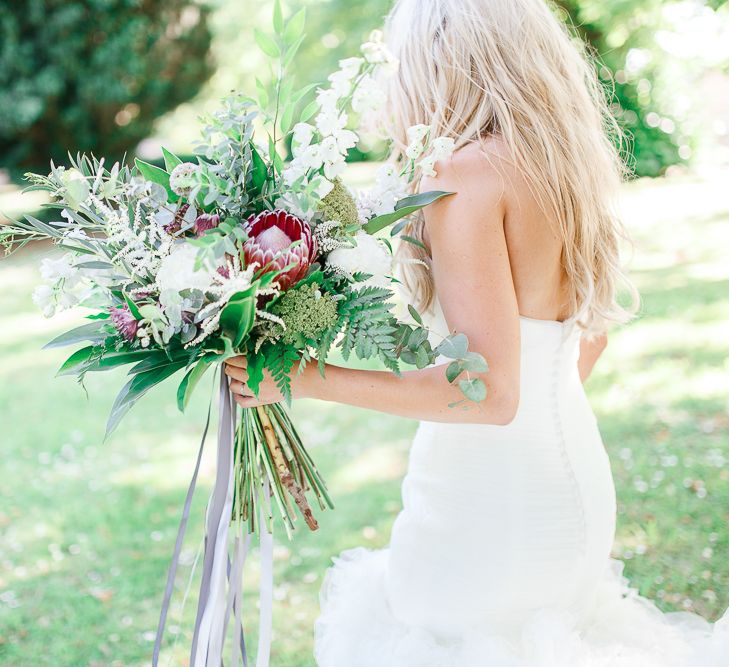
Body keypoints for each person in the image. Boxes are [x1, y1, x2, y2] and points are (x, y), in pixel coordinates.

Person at [224, 0, 729, 663]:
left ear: (439, 63)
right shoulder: (557, 163)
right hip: (566, 481)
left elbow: (488, 394)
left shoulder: (460, 175)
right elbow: (583, 342)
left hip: (487, 506)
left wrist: (303, 377)